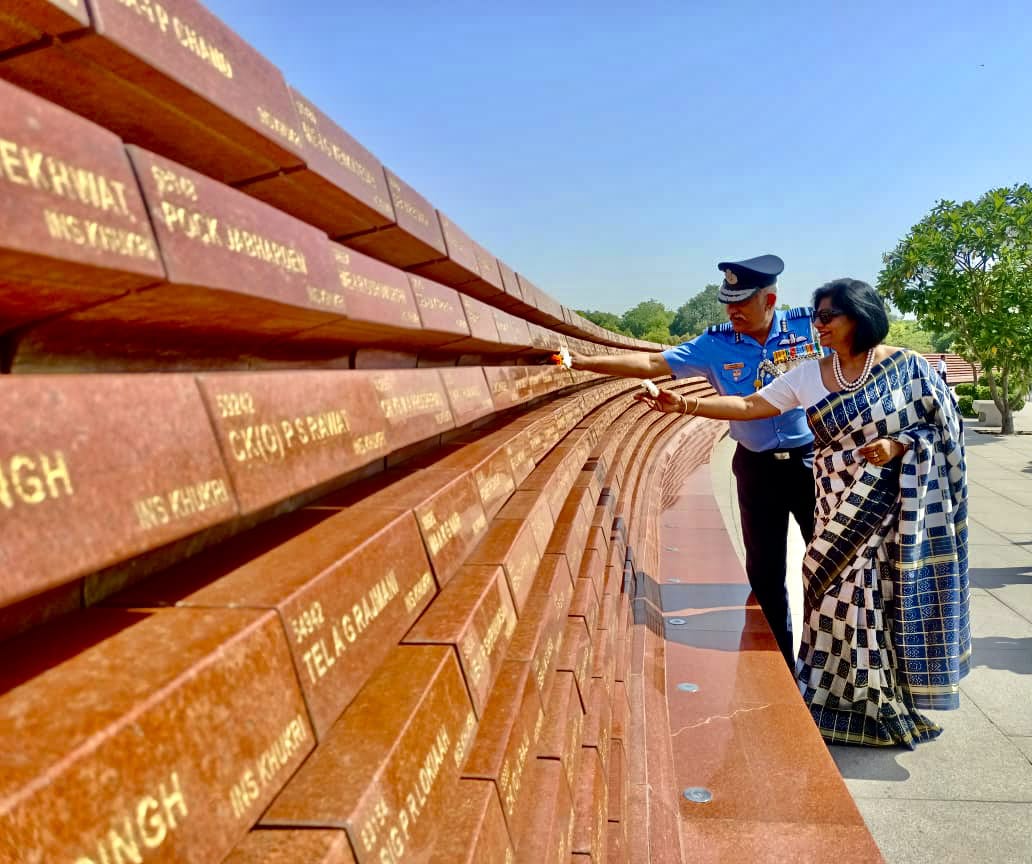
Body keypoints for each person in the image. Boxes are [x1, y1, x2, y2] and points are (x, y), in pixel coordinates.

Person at [638, 278, 970, 747]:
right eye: (815, 316)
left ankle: (877, 700)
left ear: (860, 316)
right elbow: (751, 404)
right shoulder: (808, 374)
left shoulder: (906, 366)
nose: (818, 325)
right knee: (823, 581)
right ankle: (834, 694)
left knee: (868, 596)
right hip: (834, 497)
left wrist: (898, 444)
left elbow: (944, 426)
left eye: (828, 316)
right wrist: (686, 403)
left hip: (889, 508)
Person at [557, 254, 820, 668]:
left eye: (743, 302)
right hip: (757, 470)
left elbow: (858, 354)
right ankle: (784, 666)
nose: (732, 310)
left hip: (813, 465)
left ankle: (828, 666)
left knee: (827, 563)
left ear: (770, 300)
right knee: (766, 575)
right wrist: (582, 361)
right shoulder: (715, 344)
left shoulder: (808, 329)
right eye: (728, 302)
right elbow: (651, 362)